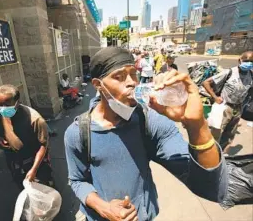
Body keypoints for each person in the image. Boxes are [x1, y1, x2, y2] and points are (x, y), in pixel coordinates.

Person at [65, 47, 227, 221]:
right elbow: (77, 180)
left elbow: (210, 185)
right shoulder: (79, 132)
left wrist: (197, 125)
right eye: (119, 77)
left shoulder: (149, 122)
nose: (131, 83)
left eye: (133, 74)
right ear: (98, 85)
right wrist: (103, 208)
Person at [0, 84, 53, 190]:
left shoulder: (35, 120)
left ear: (17, 102)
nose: (3, 109)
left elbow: (42, 146)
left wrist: (34, 170)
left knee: (41, 188)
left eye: (7, 105)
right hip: (14, 161)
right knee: (22, 187)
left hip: (35, 162)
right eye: (0, 105)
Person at [202, 51, 253, 153]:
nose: (249, 63)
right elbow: (206, 82)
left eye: (251, 62)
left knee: (230, 133)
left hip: (238, 108)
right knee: (216, 132)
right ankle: (210, 154)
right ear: (240, 60)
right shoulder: (229, 72)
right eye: (247, 61)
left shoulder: (251, 75)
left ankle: (223, 154)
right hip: (225, 107)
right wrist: (215, 97)